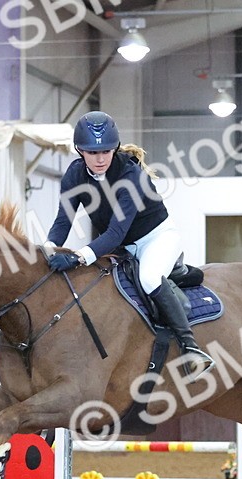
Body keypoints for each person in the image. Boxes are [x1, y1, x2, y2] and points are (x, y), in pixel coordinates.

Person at [45, 111, 214, 379]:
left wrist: (77, 257)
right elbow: (63, 222)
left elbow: (113, 234)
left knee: (148, 279)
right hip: (124, 246)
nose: (100, 159)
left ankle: (190, 347)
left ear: (115, 148)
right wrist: (47, 250)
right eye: (92, 152)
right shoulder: (74, 175)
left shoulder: (131, 176)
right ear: (79, 151)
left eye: (106, 151)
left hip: (156, 238)